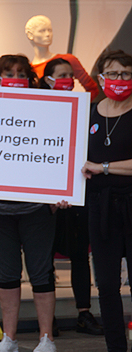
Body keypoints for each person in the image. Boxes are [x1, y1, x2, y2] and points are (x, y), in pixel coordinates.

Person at [0, 54, 67, 352]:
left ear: (30, 79)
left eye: (21, 74)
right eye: (9, 73)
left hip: (36, 210)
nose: (15, 78)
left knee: (41, 274)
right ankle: (10, 338)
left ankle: (46, 339)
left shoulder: (46, 110)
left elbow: (61, 147)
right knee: (6, 275)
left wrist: (57, 196)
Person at [40, 58, 104, 336]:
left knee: (80, 253)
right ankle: (48, 316)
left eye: (70, 75)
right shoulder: (37, 109)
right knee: (45, 257)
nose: (67, 79)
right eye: (61, 75)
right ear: (48, 80)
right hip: (47, 196)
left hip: (79, 191)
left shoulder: (85, 109)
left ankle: (83, 313)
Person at [82, 50, 132, 352]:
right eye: (113, 74)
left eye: (126, 74)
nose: (119, 80)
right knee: (107, 284)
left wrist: (103, 167)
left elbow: (95, 165)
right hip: (100, 208)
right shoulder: (88, 114)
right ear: (101, 78)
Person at [25, 15, 98, 97]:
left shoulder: (68, 60)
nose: (48, 34)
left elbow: (92, 88)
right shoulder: (28, 69)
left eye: (49, 30)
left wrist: (80, 104)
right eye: (42, 31)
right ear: (30, 35)